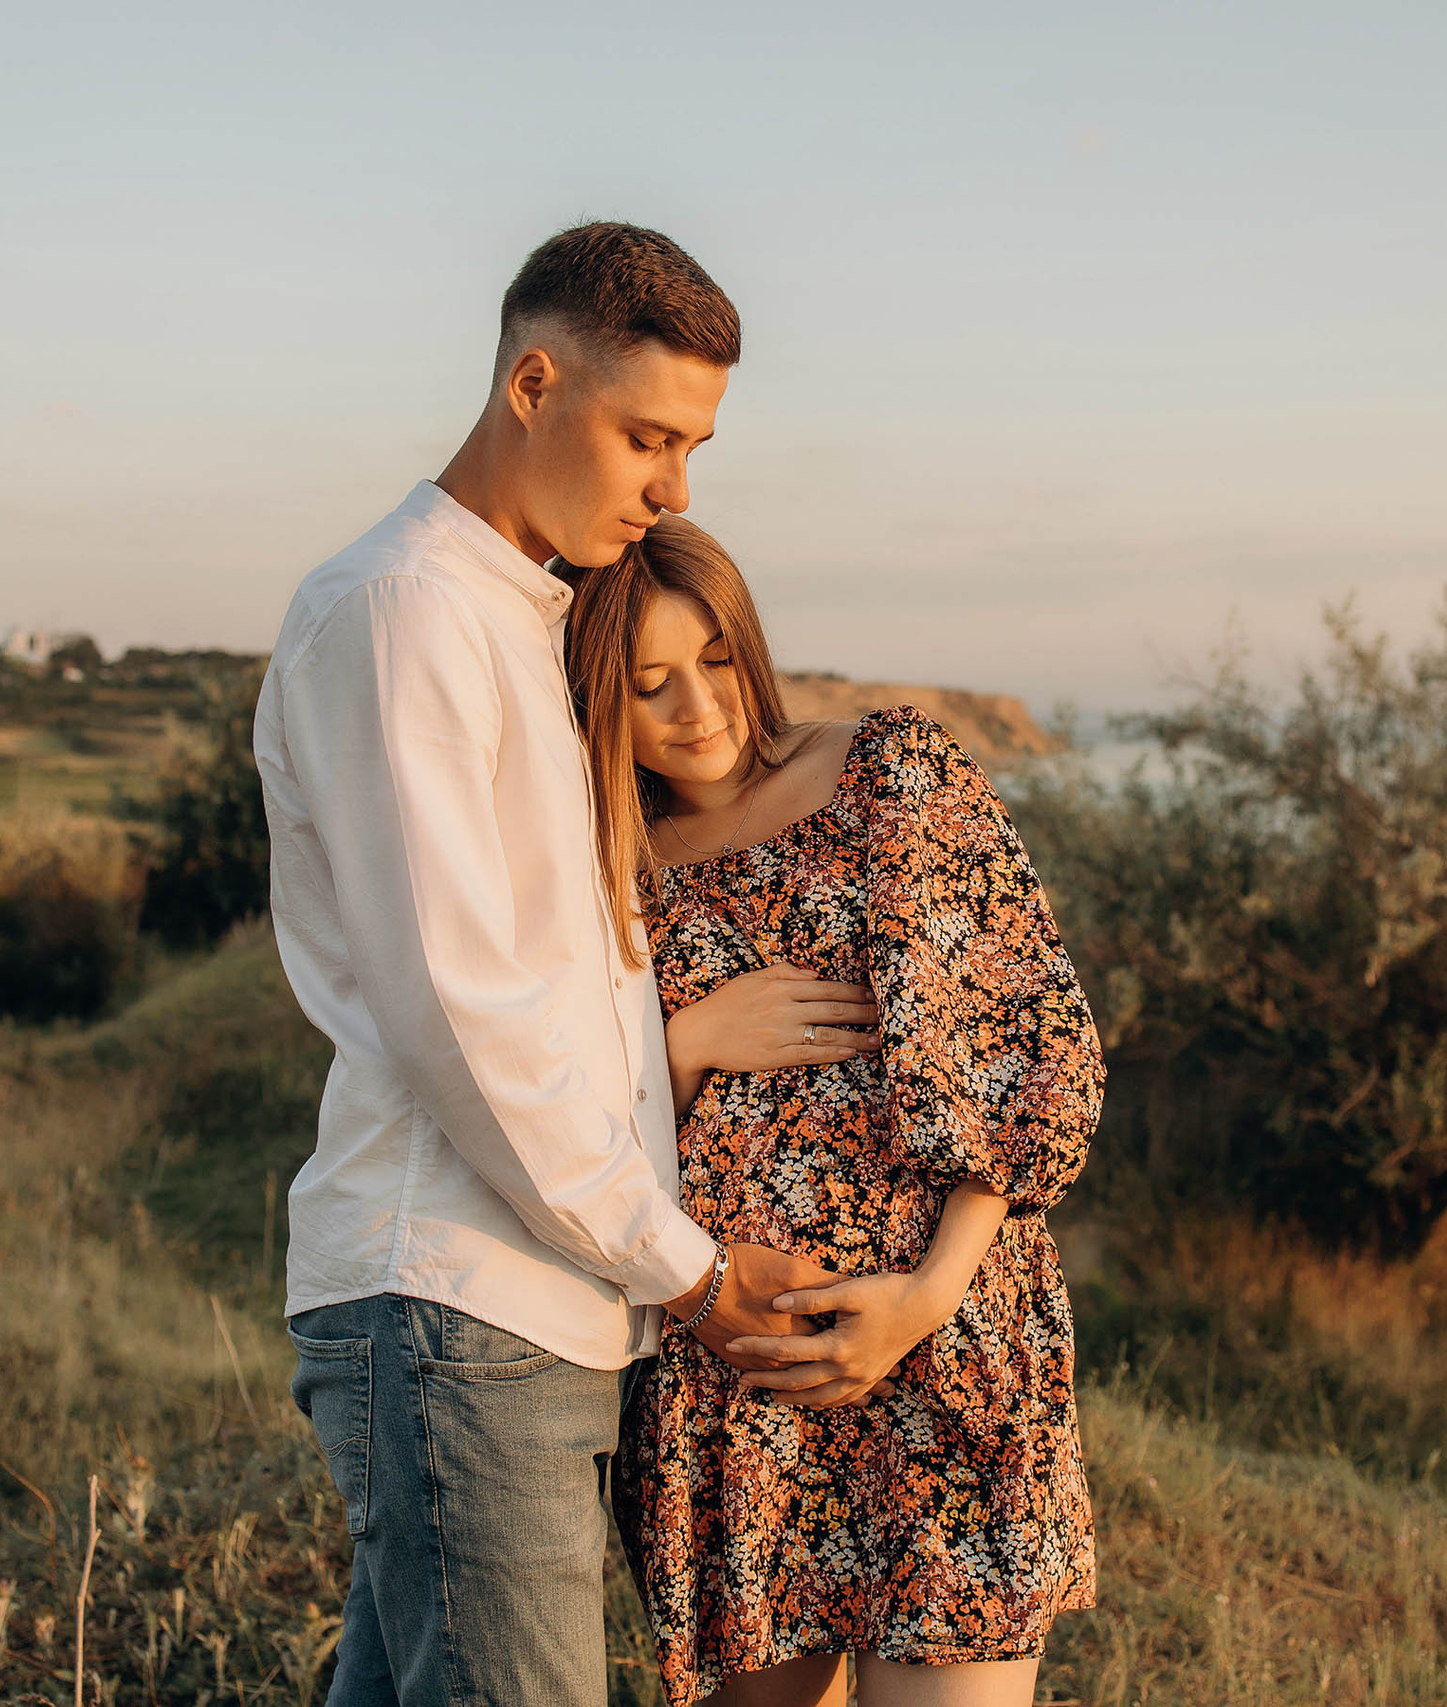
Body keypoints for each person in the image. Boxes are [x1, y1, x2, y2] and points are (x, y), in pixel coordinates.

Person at [255, 224, 873, 1707]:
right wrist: (697, 1271)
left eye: (694, 446)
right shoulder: (406, 612)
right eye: (648, 434)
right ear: (534, 381)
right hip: (460, 1301)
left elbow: (551, 997)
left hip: (521, 1302)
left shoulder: (519, 622)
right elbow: (465, 1018)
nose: (672, 487)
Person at [562, 516, 1106, 1707]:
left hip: (948, 1336)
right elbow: (553, 1117)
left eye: (714, 658)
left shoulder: (889, 767)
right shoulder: (601, 860)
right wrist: (684, 1046)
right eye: (648, 684)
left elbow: (1029, 1039)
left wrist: (927, 1296)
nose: (698, 707)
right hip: (734, 1375)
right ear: (596, 698)